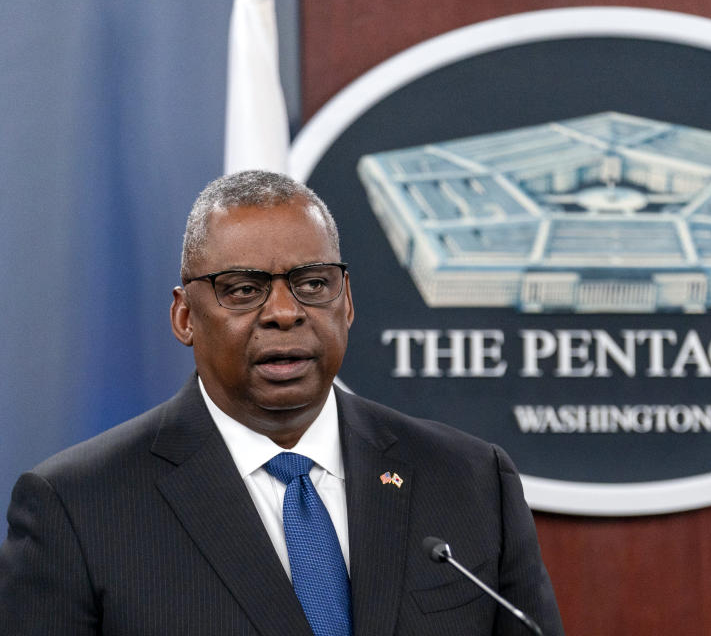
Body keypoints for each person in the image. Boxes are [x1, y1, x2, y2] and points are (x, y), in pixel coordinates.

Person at [0, 170, 564, 635]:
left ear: (346, 303)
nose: (284, 312)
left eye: (313, 283)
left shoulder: (469, 480)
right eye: (243, 289)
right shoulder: (76, 508)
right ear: (184, 317)